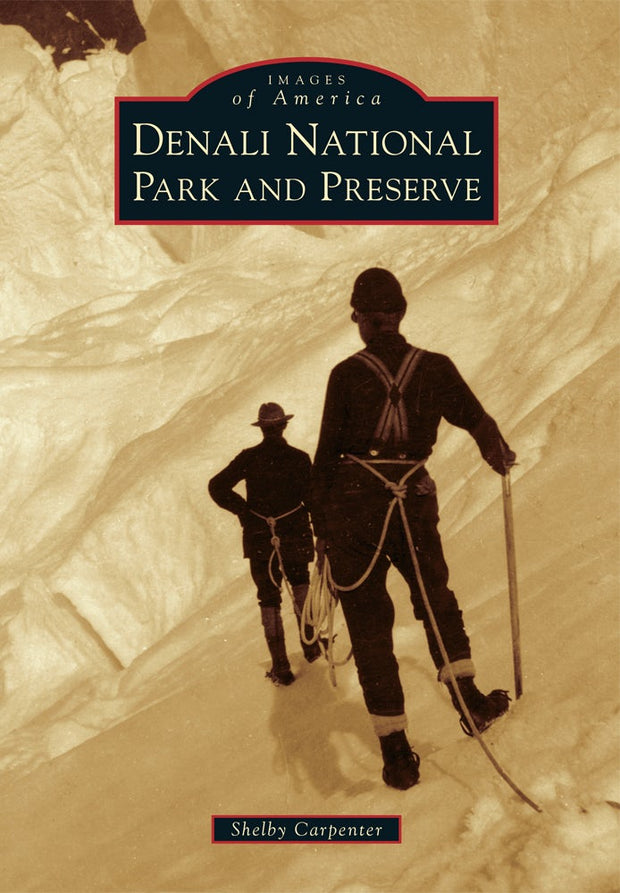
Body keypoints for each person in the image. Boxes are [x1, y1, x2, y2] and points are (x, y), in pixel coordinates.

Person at [311, 268, 516, 790]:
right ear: (400, 313)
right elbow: (480, 423)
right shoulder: (436, 368)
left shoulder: (346, 374)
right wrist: (498, 454)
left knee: (369, 625)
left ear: (360, 320)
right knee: (436, 601)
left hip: (353, 509)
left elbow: (326, 458)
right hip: (414, 502)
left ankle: (397, 756)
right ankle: (471, 704)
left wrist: (322, 533)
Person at [209, 402, 321, 686]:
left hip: (260, 536)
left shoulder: (249, 458)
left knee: (268, 597)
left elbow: (216, 486)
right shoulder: (300, 458)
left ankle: (281, 666)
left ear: (262, 429)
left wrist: (244, 512)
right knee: (300, 584)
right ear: (284, 426)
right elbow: (313, 499)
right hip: (295, 534)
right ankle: (312, 649)